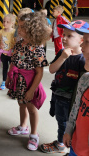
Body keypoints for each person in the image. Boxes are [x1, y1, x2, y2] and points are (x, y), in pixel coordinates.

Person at [40, 20, 88, 154]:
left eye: (69, 36)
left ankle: (65, 145)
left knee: (69, 124)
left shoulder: (83, 60)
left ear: (81, 40)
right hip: (58, 96)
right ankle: (61, 142)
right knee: (60, 121)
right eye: (64, 34)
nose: (64, 38)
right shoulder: (62, 52)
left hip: (71, 102)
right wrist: (62, 57)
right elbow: (51, 69)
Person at [6, 12, 51, 151]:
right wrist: (9, 77)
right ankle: (23, 126)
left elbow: (39, 72)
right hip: (18, 81)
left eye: (22, 27)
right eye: (18, 26)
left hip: (30, 82)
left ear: (32, 30)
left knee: (31, 108)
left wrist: (32, 90)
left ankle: (33, 134)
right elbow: (13, 61)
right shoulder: (19, 44)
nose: (18, 30)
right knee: (21, 104)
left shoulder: (37, 49)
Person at [63, 25, 89, 156]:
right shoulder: (85, 79)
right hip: (76, 144)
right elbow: (76, 108)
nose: (82, 47)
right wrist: (69, 130)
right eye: (83, 41)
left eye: (87, 42)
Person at [0, 14, 16, 90]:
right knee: (5, 67)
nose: (5, 23)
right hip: (4, 53)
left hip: (12, 53)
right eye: (4, 21)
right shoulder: (1, 31)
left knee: (12, 68)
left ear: (12, 23)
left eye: (8, 22)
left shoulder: (14, 32)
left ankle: (13, 82)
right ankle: (4, 81)